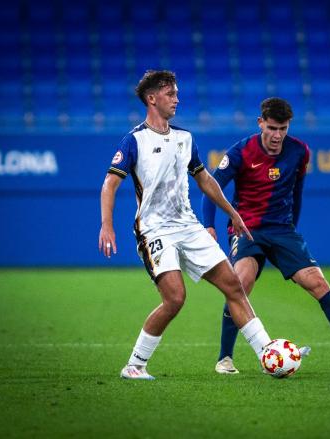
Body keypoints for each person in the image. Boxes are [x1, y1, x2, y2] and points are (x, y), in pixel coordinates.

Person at [98, 70, 274, 380]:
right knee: (175, 298)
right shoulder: (134, 140)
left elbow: (204, 179)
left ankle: (267, 355)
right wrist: (106, 225)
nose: (177, 99)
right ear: (152, 98)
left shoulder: (184, 138)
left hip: (188, 225)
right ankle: (135, 365)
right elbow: (110, 184)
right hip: (154, 229)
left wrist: (232, 213)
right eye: (170, 94)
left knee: (233, 285)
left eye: (177, 93)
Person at [202, 97, 330, 374]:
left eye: (282, 128)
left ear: (289, 126)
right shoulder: (241, 152)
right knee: (241, 282)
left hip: (283, 230)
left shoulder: (299, 152)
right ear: (260, 123)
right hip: (247, 227)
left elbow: (297, 192)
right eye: (272, 128)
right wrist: (209, 225)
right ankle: (225, 358)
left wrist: (292, 230)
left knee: (318, 283)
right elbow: (212, 186)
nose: (277, 135)